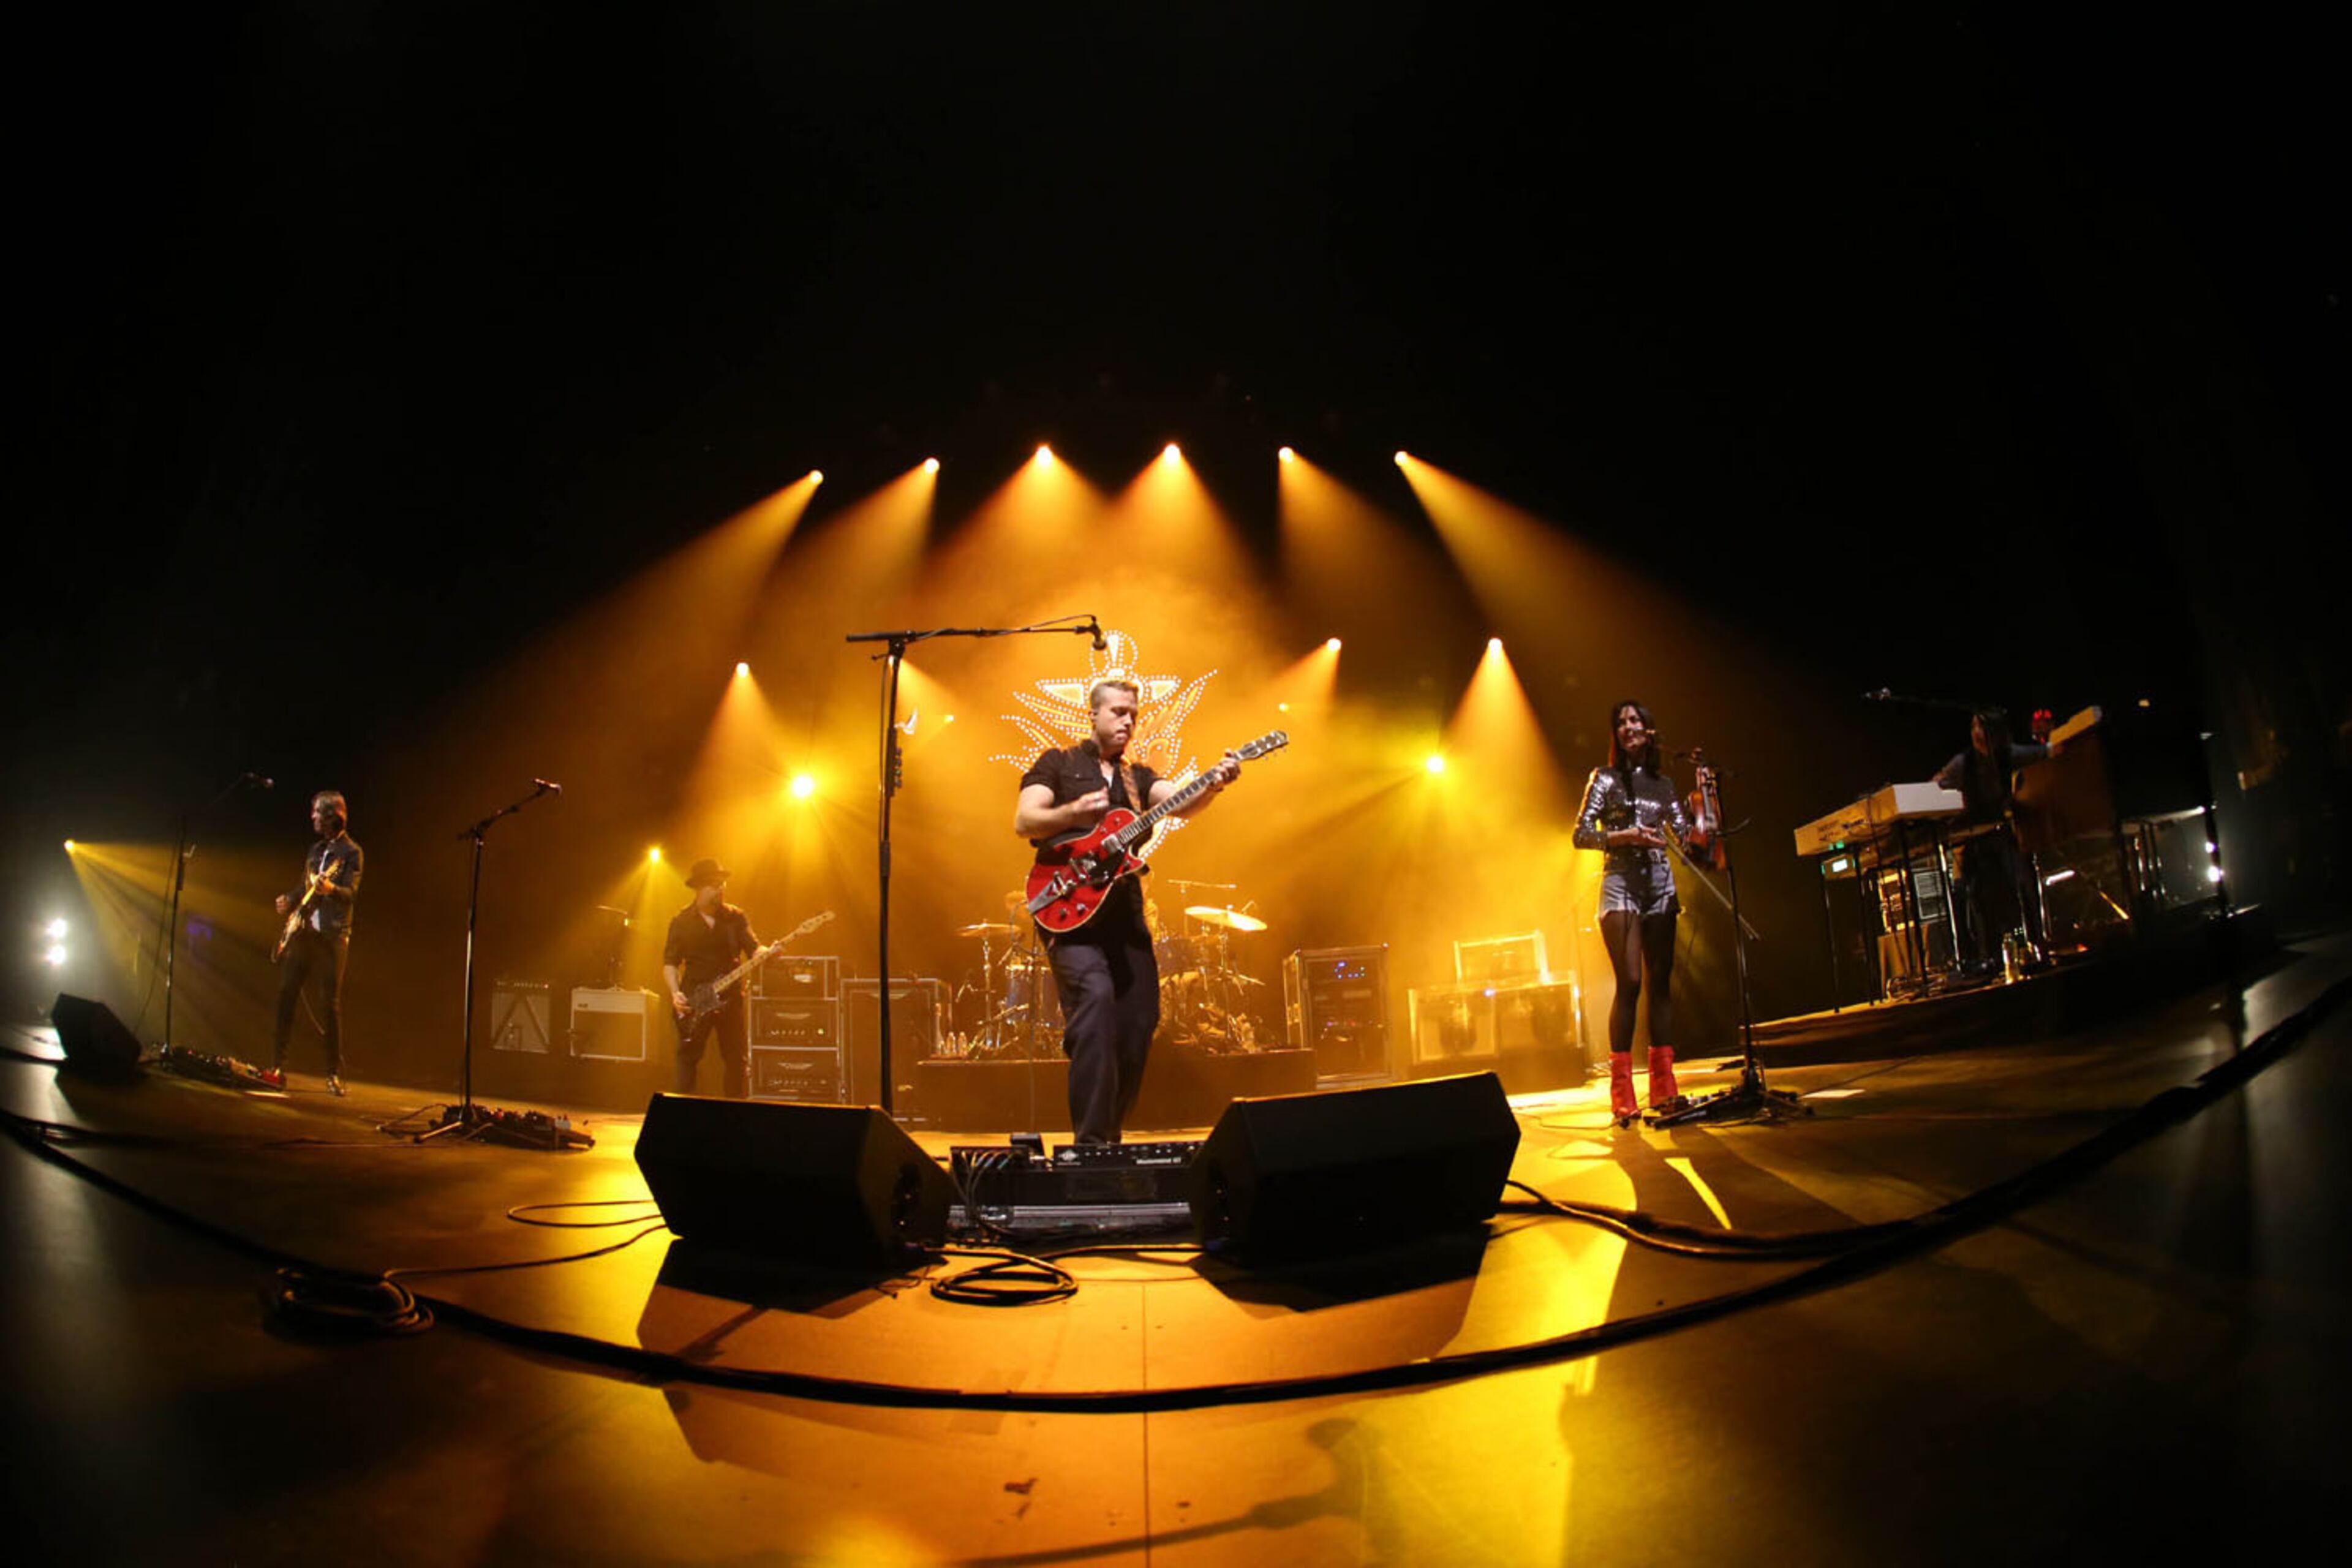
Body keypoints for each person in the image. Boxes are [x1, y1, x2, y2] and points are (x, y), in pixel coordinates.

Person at [1016, 677, 1242, 1144]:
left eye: (1134, 715)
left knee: (1140, 1020)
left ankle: (1110, 1133)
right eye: (1119, 712)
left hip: (1124, 912)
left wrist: (1214, 784)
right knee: (1096, 1001)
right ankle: (1092, 1143)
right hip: (1069, 908)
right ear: (1093, 714)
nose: (1128, 722)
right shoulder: (1057, 764)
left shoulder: (1138, 778)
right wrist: (1074, 813)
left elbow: (1182, 804)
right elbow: (1025, 821)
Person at [1573, 701, 1698, 1127]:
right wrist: (1626, 836)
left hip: (1660, 884)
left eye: (1635, 720)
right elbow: (1581, 834)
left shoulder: (1663, 785)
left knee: (1660, 983)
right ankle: (1621, 1091)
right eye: (1621, 722)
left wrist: (1705, 807)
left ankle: (1665, 1086)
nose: (1628, 727)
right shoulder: (1604, 779)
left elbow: (1687, 838)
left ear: (1649, 729)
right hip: (1620, 882)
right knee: (1630, 982)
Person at [1934, 709, 2052, 970]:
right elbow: (1936, 786)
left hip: (2005, 836)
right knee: (1969, 891)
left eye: (1983, 728)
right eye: (1974, 727)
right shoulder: (1963, 762)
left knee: (2025, 880)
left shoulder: (2009, 755)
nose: (1977, 733)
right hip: (1972, 842)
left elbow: (2044, 752)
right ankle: (1980, 959)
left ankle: (2036, 946)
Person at [271, 790, 363, 1095]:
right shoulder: (314, 851)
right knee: (286, 994)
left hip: (334, 937)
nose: (312, 817)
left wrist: (331, 888)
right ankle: (278, 1066)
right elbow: (304, 886)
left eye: (316, 812)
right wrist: (290, 899)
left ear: (332, 816)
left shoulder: (352, 853)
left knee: (329, 1004)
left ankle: (333, 1074)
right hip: (306, 934)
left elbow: (350, 893)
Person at [662, 858, 763, 1098]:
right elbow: (670, 964)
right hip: (696, 997)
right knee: (688, 1056)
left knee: (736, 1059)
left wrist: (765, 952)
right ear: (700, 888)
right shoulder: (681, 922)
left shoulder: (735, 918)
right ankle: (683, 1115)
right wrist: (675, 993)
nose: (721, 889)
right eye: (715, 885)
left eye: (723, 884)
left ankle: (735, 1115)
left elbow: (754, 948)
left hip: (731, 997)